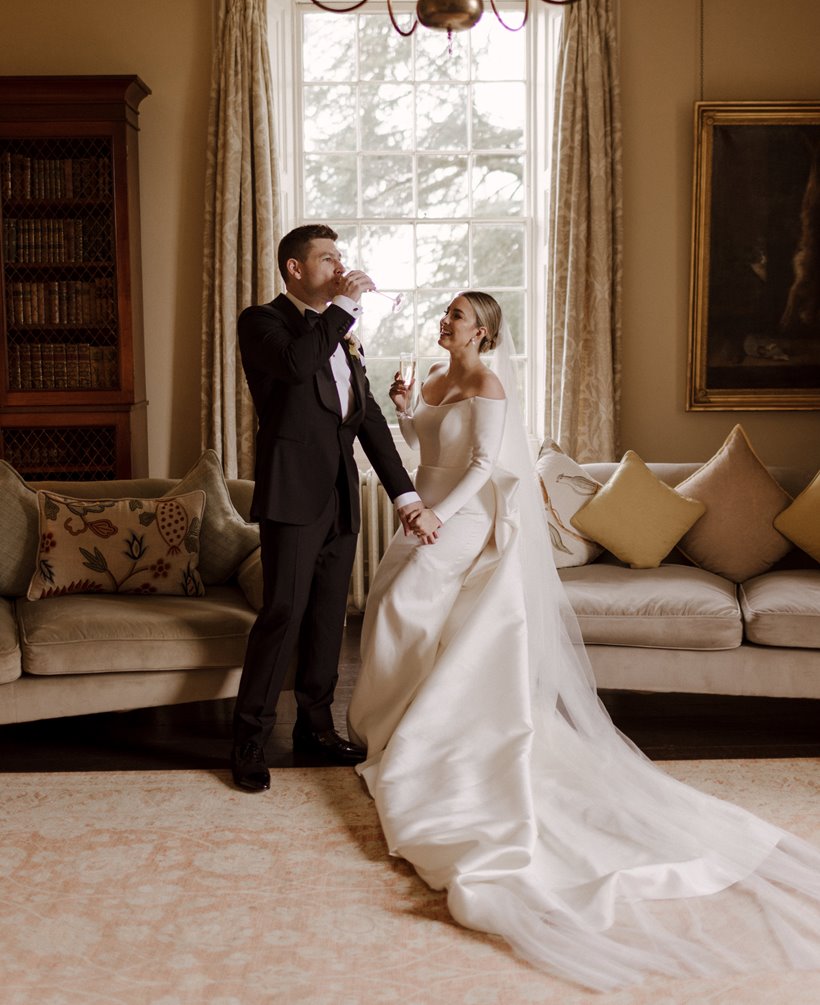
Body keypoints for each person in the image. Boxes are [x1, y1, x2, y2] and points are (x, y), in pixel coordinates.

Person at [348, 290, 820, 992]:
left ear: (482, 331)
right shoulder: (443, 379)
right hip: (430, 513)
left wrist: (436, 520)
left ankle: (423, 735)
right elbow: (425, 446)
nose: (445, 321)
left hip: (463, 518)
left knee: (403, 606)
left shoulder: (489, 381)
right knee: (393, 611)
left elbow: (482, 466)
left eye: (457, 316)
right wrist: (403, 406)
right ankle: (391, 726)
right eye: (445, 313)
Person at [231, 224, 423, 792]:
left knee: (326, 620)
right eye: (327, 258)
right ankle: (248, 740)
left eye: (342, 258)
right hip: (291, 496)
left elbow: (366, 421)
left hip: (341, 497)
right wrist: (343, 307)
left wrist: (405, 495)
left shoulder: (340, 335)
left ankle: (316, 728)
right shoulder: (262, 322)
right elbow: (294, 365)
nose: (341, 268)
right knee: (283, 614)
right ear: (295, 268)